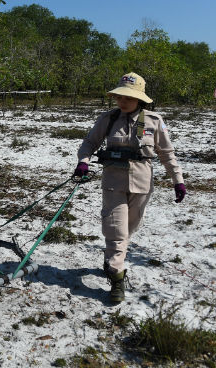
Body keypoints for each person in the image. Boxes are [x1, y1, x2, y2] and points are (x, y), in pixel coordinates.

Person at [73, 72, 186, 303]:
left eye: (128, 98)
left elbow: (167, 153)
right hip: (113, 184)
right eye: (120, 97)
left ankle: (111, 259)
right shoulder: (108, 119)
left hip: (142, 185)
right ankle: (116, 278)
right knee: (117, 231)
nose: (122, 101)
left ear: (140, 99)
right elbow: (89, 143)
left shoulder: (154, 121)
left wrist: (178, 180)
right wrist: (83, 161)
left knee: (129, 229)